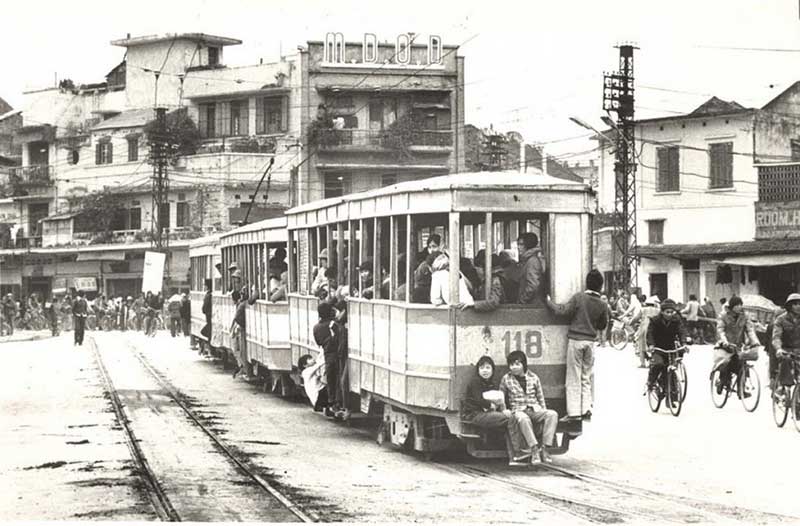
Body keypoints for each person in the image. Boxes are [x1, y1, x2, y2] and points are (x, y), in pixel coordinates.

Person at [545, 269, 608, 422]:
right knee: (586, 376)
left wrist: (549, 302)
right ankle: (586, 409)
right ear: (600, 286)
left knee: (573, 377)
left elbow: (563, 311)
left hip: (576, 340)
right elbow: (602, 325)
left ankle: (573, 413)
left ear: (587, 283)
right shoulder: (602, 304)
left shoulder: (579, 298)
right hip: (590, 343)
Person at [499, 350, 559, 464]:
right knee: (523, 418)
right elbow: (500, 396)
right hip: (518, 410)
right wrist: (504, 409)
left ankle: (545, 448)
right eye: (511, 365)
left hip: (534, 408)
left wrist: (543, 410)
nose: (514, 367)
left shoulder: (534, 377)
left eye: (517, 364)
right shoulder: (506, 378)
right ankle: (534, 449)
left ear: (524, 364)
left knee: (552, 414)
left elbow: (540, 396)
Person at [461, 356, 520, 466]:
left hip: (486, 414)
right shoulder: (475, 382)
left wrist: (504, 409)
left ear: (492, 370)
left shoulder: (492, 383)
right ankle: (517, 453)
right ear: (478, 370)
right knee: (510, 418)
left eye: (488, 368)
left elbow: (500, 399)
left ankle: (514, 456)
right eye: (482, 368)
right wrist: (492, 405)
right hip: (475, 414)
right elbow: (479, 400)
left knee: (509, 419)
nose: (485, 371)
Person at [713, 295, 759, 395]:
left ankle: (741, 390)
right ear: (732, 306)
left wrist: (755, 341)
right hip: (725, 345)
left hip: (738, 345)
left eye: (740, 305)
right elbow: (720, 330)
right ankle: (721, 381)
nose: (739, 307)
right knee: (725, 364)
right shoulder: (723, 316)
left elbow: (750, 330)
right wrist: (724, 341)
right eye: (737, 305)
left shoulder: (744, 316)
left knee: (742, 365)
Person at [646, 299, 689, 404]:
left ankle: (671, 397)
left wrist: (684, 343)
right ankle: (651, 382)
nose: (670, 314)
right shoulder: (655, 321)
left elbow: (682, 331)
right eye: (667, 312)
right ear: (662, 312)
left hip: (671, 348)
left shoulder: (676, 320)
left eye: (672, 312)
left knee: (672, 371)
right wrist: (651, 345)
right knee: (658, 364)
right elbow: (650, 334)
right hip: (658, 349)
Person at [313, 302, 347, 417]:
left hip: (327, 355)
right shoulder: (334, 325)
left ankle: (331, 402)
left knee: (330, 378)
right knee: (338, 378)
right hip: (337, 354)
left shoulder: (316, 327)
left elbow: (318, 342)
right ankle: (337, 403)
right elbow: (341, 336)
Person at [772, 293, 800, 399]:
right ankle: (782, 387)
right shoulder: (780, 320)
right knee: (786, 359)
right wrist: (779, 349)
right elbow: (776, 337)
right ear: (790, 306)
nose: (798, 306)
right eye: (795, 304)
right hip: (786, 350)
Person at [516, 232, 545, 305]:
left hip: (531, 305)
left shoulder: (532, 261)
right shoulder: (528, 260)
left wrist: (522, 300)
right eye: (518, 244)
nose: (518, 247)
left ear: (528, 245)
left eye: (521, 244)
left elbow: (533, 285)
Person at [230, 289, 249, 380]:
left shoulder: (241, 305)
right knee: (240, 350)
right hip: (241, 328)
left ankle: (242, 367)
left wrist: (236, 327)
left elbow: (236, 317)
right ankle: (242, 367)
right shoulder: (243, 304)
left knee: (239, 349)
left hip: (240, 329)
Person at [637, 296, 661, 368]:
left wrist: (629, 322)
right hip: (655, 329)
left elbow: (636, 318)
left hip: (643, 329)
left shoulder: (643, 309)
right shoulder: (658, 310)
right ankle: (652, 362)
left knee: (641, 345)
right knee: (654, 345)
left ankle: (642, 363)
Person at [201, 280, 213, 347]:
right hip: (209, 314)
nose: (204, 286)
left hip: (208, 315)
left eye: (205, 285)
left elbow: (205, 306)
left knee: (207, 331)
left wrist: (204, 310)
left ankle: (210, 346)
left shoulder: (208, 295)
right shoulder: (210, 294)